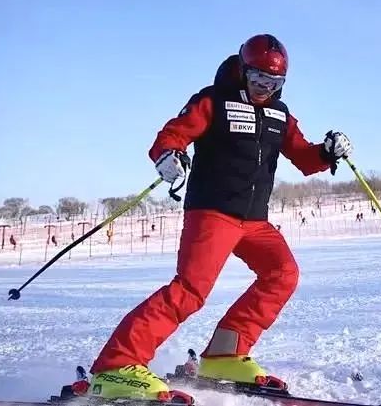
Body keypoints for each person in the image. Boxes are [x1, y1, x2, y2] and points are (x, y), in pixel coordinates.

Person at [87, 34, 352, 401]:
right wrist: (168, 155)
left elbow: (304, 157)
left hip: (255, 221)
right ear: (243, 70)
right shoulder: (213, 100)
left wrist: (327, 151)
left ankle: (225, 355)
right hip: (212, 212)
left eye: (274, 82)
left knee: (282, 274)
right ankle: (115, 366)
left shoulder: (281, 114)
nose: (265, 87)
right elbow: (172, 135)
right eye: (258, 78)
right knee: (190, 292)